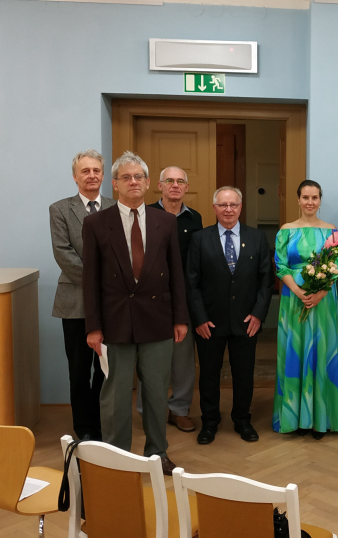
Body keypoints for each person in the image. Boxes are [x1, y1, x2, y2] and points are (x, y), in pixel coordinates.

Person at [82, 151, 189, 475]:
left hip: (157, 320)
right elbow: (90, 279)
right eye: (126, 177)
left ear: (147, 183)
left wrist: (180, 318)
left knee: (156, 392)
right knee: (115, 397)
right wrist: (93, 327)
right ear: (114, 183)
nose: (133, 182)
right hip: (114, 323)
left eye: (138, 177)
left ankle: (158, 454)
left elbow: (176, 273)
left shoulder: (165, 222)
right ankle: (118, 459)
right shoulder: (96, 223)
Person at [186, 186, 274, 445]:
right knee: (209, 375)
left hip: (247, 321)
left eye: (233, 204)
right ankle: (209, 422)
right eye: (223, 205)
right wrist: (199, 318)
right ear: (214, 208)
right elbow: (191, 283)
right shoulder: (200, 239)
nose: (228, 209)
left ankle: (242, 420)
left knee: (244, 374)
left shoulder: (257, 238)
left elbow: (266, 281)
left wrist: (258, 315)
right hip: (209, 322)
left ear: (240, 207)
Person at [49, 149, 115, 441]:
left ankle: (102, 425)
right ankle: (85, 428)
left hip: (112, 304)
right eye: (85, 171)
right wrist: (99, 283)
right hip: (75, 301)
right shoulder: (60, 209)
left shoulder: (116, 207)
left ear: (103, 175)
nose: (91, 175)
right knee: (79, 371)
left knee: (105, 369)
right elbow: (63, 253)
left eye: (96, 170)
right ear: (75, 177)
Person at [272, 180, 338, 438]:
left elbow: (336, 268)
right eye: (305, 197)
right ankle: (294, 418)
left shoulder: (331, 231)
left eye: (315, 197)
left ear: (320, 200)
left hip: (323, 302)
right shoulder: (286, 230)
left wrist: (320, 293)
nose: (310, 202)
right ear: (298, 199)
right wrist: (300, 292)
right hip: (294, 299)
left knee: (322, 351)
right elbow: (280, 266)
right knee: (295, 349)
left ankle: (320, 419)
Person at [135, 166, 203, 433]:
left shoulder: (195, 219)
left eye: (180, 181)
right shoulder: (144, 214)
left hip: (183, 298)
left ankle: (180, 410)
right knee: (149, 359)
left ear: (186, 187)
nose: (175, 185)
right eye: (170, 181)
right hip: (151, 298)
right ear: (159, 185)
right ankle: (150, 411)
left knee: (183, 359)